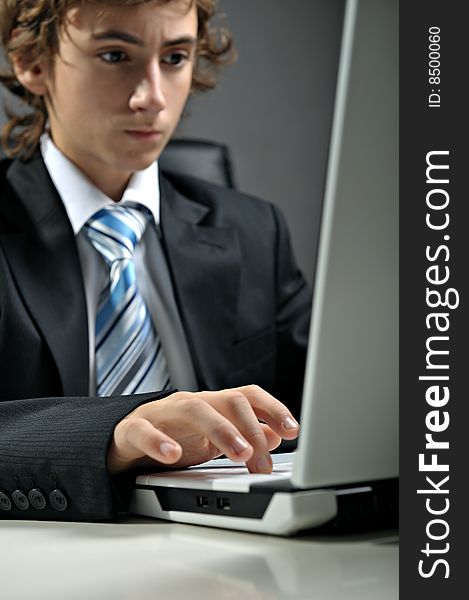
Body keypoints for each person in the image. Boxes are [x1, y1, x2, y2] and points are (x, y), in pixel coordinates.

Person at [0, 0, 311, 521]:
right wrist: (116, 432)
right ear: (33, 63)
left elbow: (336, 409)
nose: (153, 98)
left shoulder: (256, 231)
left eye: (174, 58)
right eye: (116, 55)